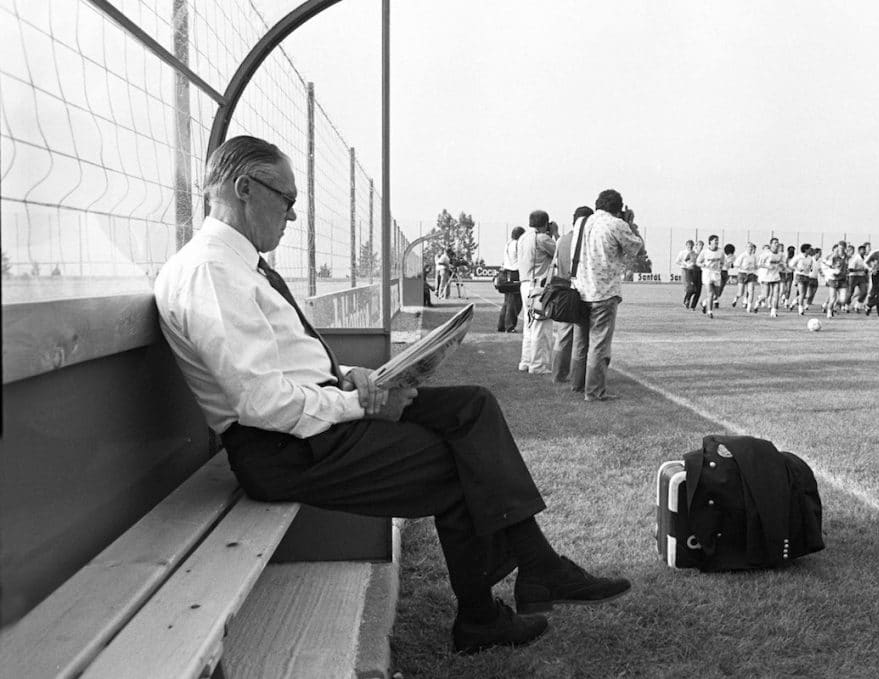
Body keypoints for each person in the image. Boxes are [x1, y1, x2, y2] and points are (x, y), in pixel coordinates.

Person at [153, 136, 630, 655]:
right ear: (244, 189)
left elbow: (285, 365)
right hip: (285, 447)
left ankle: (532, 571)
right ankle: (492, 607)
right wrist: (366, 402)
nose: (292, 216)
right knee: (461, 468)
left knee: (473, 406)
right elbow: (262, 405)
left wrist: (356, 376)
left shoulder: (236, 266)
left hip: (313, 418)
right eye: (287, 200)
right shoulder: (211, 271)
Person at [570, 189, 644, 402]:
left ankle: (577, 383)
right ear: (619, 208)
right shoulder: (616, 224)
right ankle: (594, 391)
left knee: (581, 341)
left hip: (580, 290)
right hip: (604, 292)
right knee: (599, 344)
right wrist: (630, 224)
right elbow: (637, 248)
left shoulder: (581, 223)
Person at [551, 207, 593, 383]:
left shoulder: (562, 240)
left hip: (563, 291)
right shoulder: (587, 240)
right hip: (581, 292)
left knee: (563, 335)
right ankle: (578, 378)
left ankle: (558, 374)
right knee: (581, 339)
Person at [518, 210, 556, 375]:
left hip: (525, 284)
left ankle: (526, 362)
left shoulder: (522, 238)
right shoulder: (542, 238)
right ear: (545, 223)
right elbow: (558, 253)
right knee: (542, 327)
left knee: (529, 325)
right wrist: (554, 234)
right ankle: (538, 365)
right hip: (538, 286)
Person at [498, 227, 526, 333]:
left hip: (507, 272)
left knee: (507, 302)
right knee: (515, 302)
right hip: (515, 273)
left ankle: (502, 325)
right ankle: (510, 326)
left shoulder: (508, 244)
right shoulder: (518, 245)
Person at [696, 234, 724, 318]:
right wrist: (704, 265)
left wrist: (720, 267)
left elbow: (722, 262)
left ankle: (704, 302)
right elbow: (698, 262)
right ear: (710, 241)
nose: (717, 242)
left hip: (716, 274)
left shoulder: (720, 252)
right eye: (715, 240)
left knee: (716, 294)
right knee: (710, 293)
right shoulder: (704, 252)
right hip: (707, 274)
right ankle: (709, 312)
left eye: (717, 240)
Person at [732, 242, 759, 311]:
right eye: (749, 247)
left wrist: (755, 267)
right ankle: (736, 298)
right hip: (742, 274)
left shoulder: (754, 256)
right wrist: (743, 267)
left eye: (751, 247)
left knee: (751, 291)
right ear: (746, 248)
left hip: (751, 274)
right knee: (741, 292)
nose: (750, 248)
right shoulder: (742, 255)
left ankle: (749, 307)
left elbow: (756, 265)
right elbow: (736, 264)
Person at [675, 240, 700, 310]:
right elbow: (677, 261)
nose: (690, 246)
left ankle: (686, 300)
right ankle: (686, 301)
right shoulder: (682, 252)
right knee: (688, 286)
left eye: (691, 245)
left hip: (692, 270)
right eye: (688, 245)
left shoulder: (694, 253)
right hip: (685, 269)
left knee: (693, 287)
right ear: (686, 245)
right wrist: (684, 264)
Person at [847, 244, 869, 313]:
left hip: (861, 277)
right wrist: (860, 270)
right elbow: (850, 269)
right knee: (850, 292)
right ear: (859, 251)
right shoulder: (856, 258)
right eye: (862, 250)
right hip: (853, 276)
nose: (864, 251)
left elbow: (866, 268)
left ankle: (857, 306)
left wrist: (866, 271)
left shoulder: (865, 258)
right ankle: (846, 306)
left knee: (864, 292)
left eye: (864, 250)